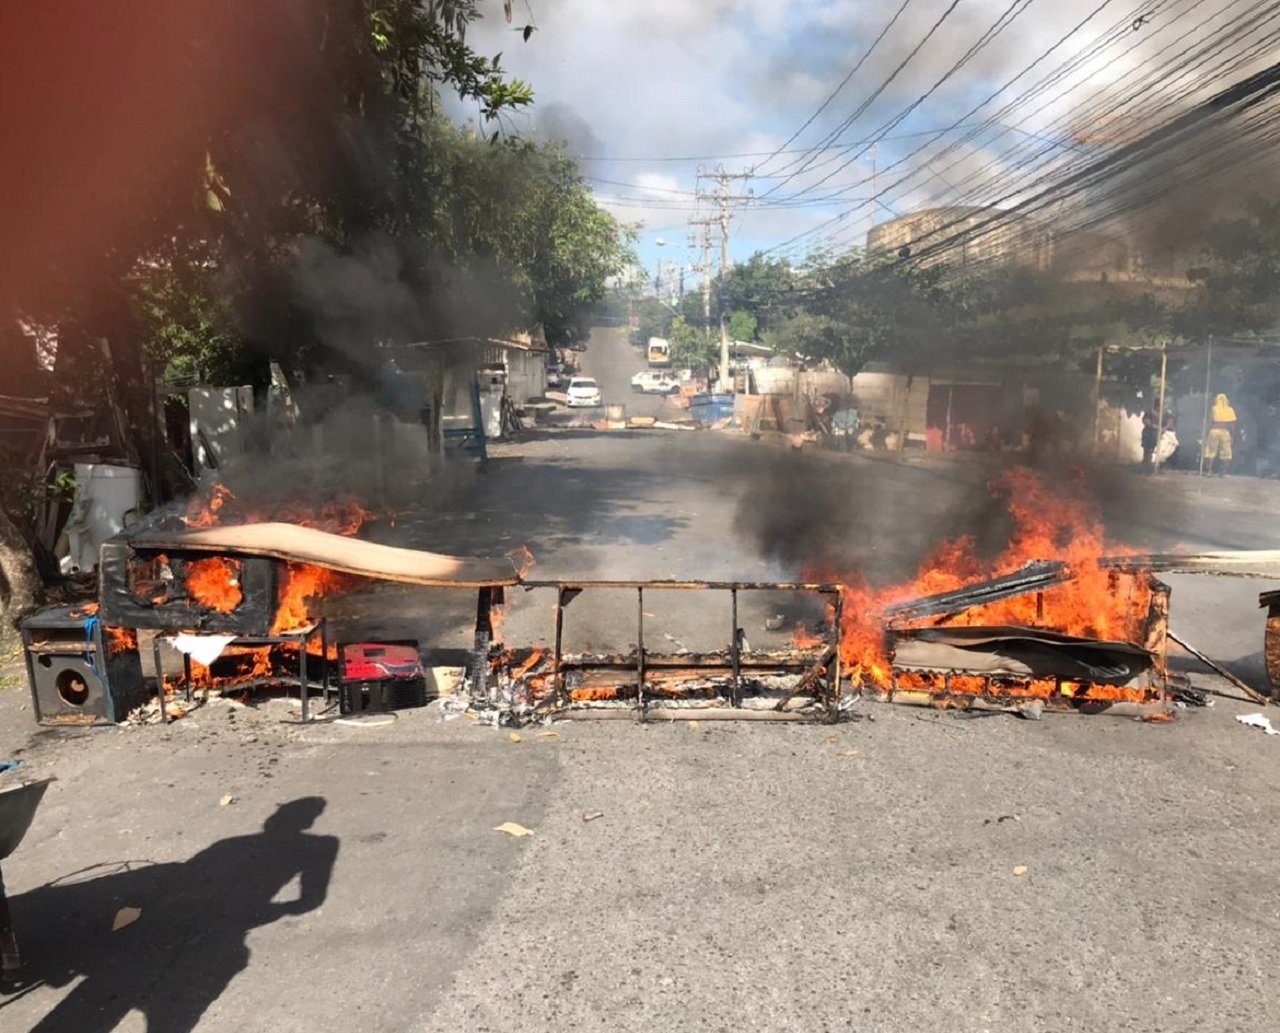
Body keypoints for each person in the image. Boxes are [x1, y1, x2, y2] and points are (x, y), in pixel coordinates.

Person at [1203, 392, 1237, 475]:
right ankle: (1223, 472)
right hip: (1225, 431)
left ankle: (1209, 471)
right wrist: (1233, 435)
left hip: (1214, 430)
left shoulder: (1213, 408)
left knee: (1211, 452)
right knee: (1226, 453)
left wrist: (1206, 432)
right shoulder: (1230, 409)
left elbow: (1210, 421)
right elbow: (1232, 424)